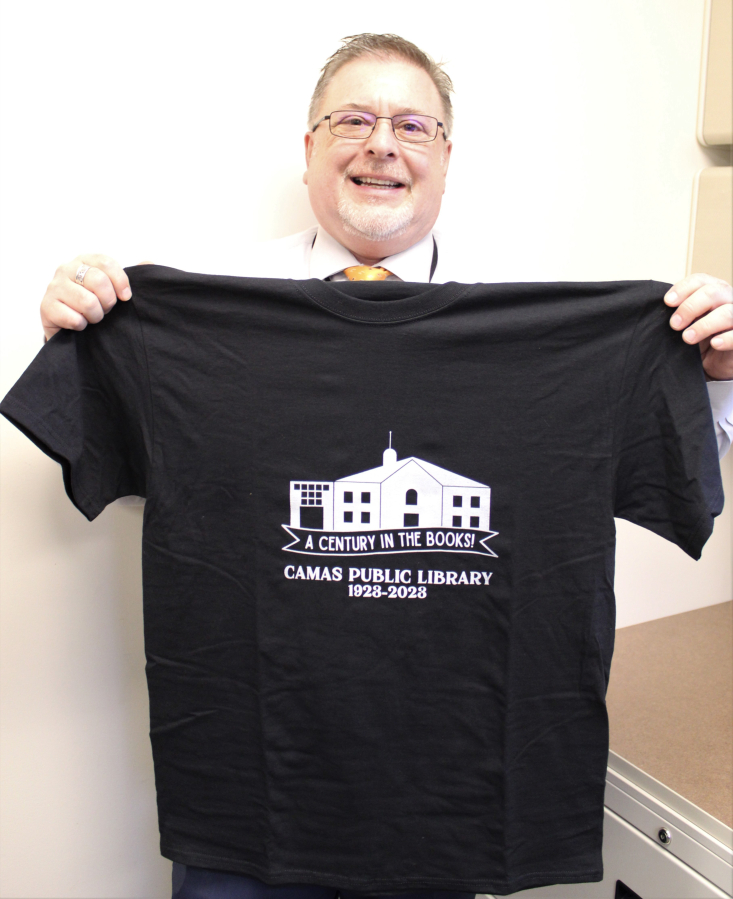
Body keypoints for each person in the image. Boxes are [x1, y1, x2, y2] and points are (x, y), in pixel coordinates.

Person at [28, 33, 733, 899]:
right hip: (252, 809)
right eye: (352, 119)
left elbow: (664, 475)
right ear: (309, 149)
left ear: (445, 154)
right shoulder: (189, 320)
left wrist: (707, 380)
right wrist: (89, 342)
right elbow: (165, 483)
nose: (381, 144)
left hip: (445, 806)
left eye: (411, 124)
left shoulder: (545, 341)